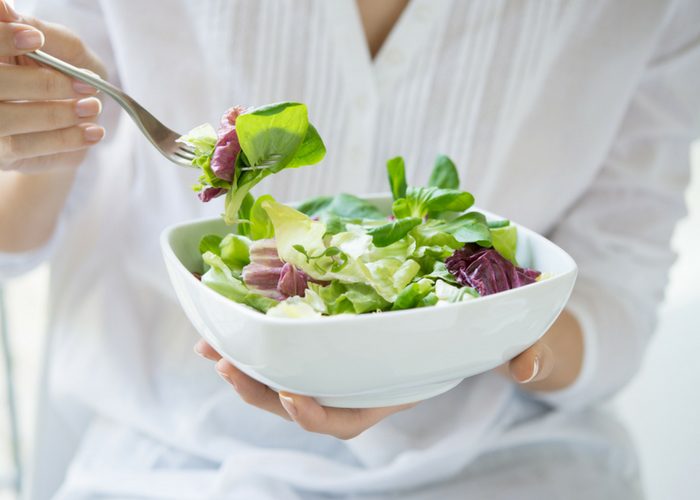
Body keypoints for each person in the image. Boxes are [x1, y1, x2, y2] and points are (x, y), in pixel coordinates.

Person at [1, 0, 698, 498]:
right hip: (174, 453)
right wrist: (54, 134)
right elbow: (13, 246)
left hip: (504, 462)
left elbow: (617, 296)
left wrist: (497, 341)